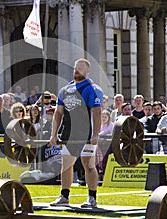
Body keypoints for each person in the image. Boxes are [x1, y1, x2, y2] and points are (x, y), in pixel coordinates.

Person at [50, 58, 103, 208]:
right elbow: (58, 113)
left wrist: (95, 135)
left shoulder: (93, 89)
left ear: (87, 71)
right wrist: (54, 134)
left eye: (80, 69)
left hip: (86, 134)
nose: (76, 71)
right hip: (69, 134)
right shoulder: (65, 90)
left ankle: (92, 198)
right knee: (66, 165)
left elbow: (97, 112)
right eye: (75, 68)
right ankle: (64, 196)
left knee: (89, 164)